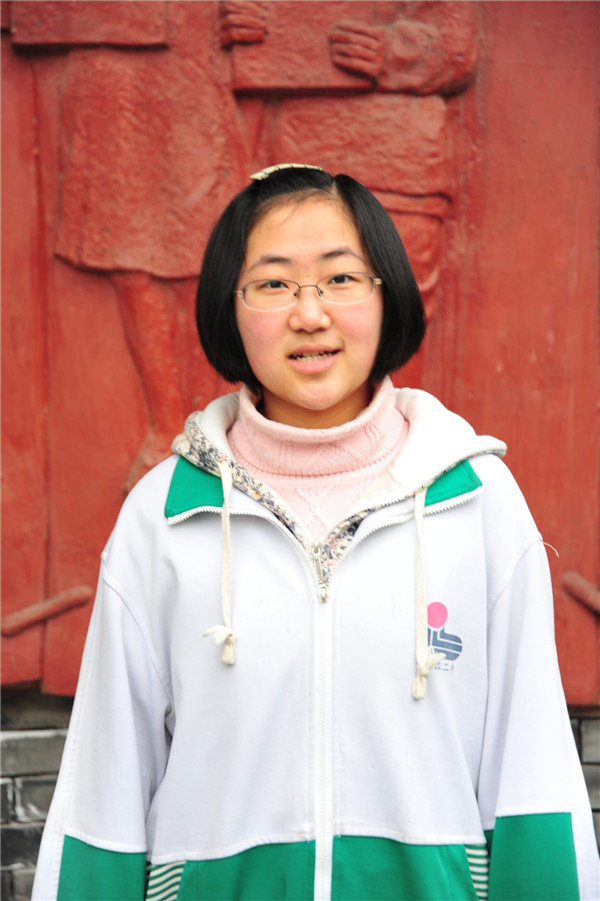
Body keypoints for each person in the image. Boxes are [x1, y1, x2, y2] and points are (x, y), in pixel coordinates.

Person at [33, 164, 599, 901]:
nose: (310, 314)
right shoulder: (164, 515)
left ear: (387, 295)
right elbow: (103, 792)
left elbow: (534, 775)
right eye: (273, 283)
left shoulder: (478, 503)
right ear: (229, 307)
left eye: (340, 279)